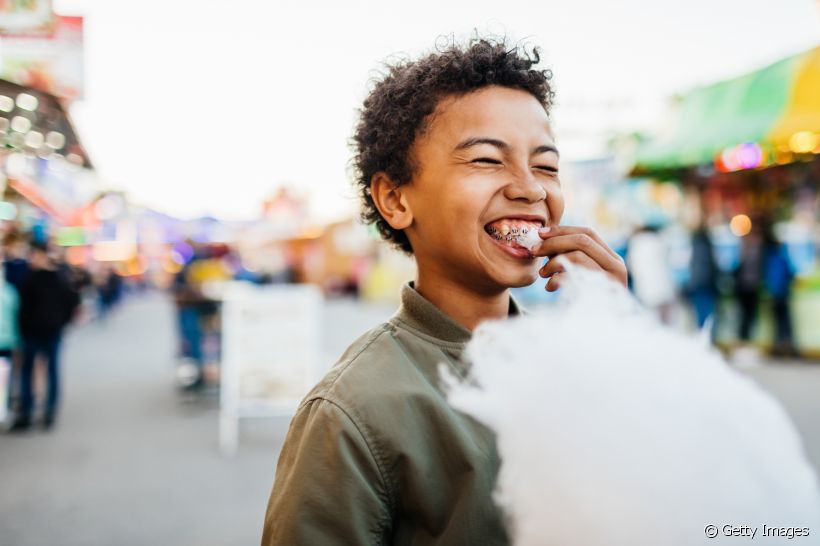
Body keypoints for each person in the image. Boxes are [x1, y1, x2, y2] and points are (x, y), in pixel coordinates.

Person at [262, 38, 627, 545]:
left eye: (546, 165)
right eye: (485, 160)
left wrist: (619, 344)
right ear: (395, 199)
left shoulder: (577, 359)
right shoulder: (354, 410)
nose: (532, 188)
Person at [10, 241, 80, 431]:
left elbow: (72, 301)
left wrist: (61, 323)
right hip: (33, 333)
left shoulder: (56, 278)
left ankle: (48, 412)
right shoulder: (31, 278)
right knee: (30, 373)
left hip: (49, 332)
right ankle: (27, 412)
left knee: (50, 372)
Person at [626, 224, 677, 324]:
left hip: (646, 290)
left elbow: (630, 267)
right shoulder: (660, 242)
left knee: (653, 322)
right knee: (668, 322)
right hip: (665, 287)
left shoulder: (635, 246)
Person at [687, 224, 719, 332]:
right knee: (708, 313)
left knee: (700, 312)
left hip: (696, 284)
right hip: (707, 284)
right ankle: (707, 335)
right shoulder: (708, 246)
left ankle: (702, 333)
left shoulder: (693, 246)